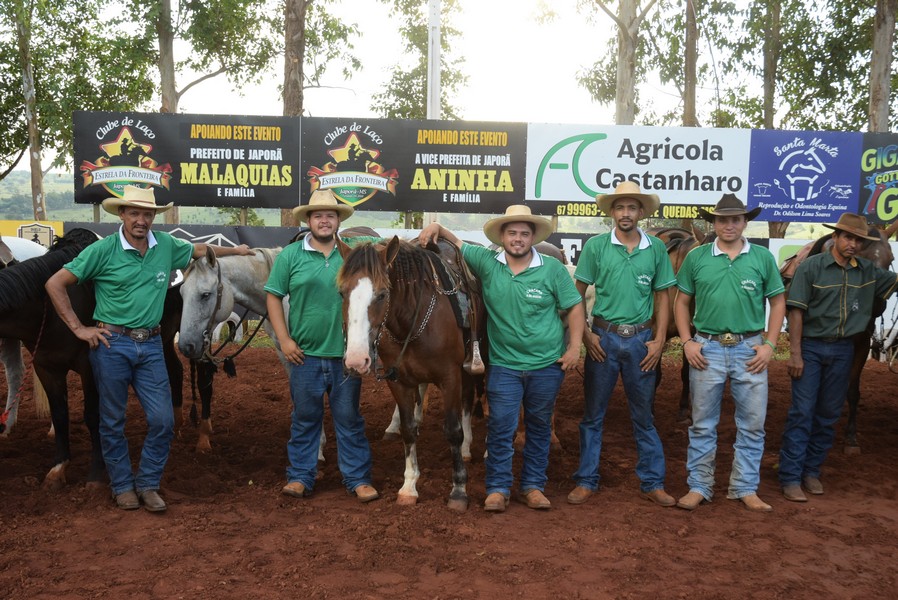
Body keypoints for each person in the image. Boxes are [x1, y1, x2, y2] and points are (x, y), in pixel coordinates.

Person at [45, 185, 255, 512]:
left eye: (147, 214)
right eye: (134, 213)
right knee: (112, 421)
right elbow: (55, 283)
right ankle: (122, 486)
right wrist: (79, 329)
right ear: (122, 215)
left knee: (163, 421)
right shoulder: (102, 251)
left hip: (152, 345)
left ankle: (147, 482)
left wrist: (239, 252)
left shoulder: (166, 246)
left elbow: (199, 249)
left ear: (153, 216)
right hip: (111, 344)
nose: (141, 220)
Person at [419, 205, 584, 512]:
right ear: (503, 236)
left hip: (546, 365)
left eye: (524, 233)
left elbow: (574, 306)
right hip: (505, 365)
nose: (518, 239)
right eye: (512, 233)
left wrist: (574, 347)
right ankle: (498, 488)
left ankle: (533, 486)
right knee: (501, 428)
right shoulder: (488, 263)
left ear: (532, 237)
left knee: (537, 427)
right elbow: (457, 244)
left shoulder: (552, 269)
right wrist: (437, 228)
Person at [264, 189, 380, 503]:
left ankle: (357, 478)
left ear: (338, 220)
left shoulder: (355, 253)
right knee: (304, 417)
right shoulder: (291, 256)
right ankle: (301, 477)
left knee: (349, 418)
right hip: (304, 356)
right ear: (309, 220)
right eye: (318, 216)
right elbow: (273, 296)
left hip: (346, 356)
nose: (324, 220)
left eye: (330, 215)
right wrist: (284, 340)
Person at [567, 182, 678, 507]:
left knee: (643, 416)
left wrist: (659, 339)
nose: (626, 213)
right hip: (604, 337)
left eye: (632, 208)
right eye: (620, 208)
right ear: (612, 212)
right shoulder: (596, 246)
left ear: (641, 212)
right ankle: (586, 480)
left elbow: (663, 295)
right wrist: (586, 335)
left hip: (642, 341)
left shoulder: (656, 249)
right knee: (593, 415)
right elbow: (578, 292)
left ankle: (653, 482)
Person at [674, 193, 785, 513]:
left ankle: (745, 488)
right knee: (702, 423)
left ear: (745, 222)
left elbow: (777, 302)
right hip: (706, 347)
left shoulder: (762, 258)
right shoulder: (697, 257)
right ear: (714, 222)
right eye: (723, 219)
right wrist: (686, 342)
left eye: (736, 219)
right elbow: (681, 301)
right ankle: (699, 485)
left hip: (749, 349)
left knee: (752, 423)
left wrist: (770, 345)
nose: (729, 225)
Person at [779, 213, 898, 502]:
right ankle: (791, 476)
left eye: (858, 240)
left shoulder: (868, 272)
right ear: (835, 237)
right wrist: (795, 353)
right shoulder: (812, 268)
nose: (852, 244)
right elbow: (795, 312)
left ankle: (811, 471)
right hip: (811, 347)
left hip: (844, 350)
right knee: (802, 412)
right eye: (848, 237)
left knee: (829, 413)